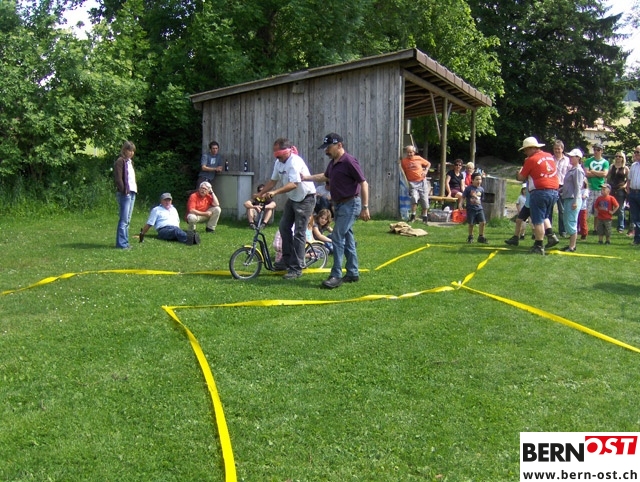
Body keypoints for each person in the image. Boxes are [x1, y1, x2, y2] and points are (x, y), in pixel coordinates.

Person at [302, 133, 370, 289]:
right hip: (338, 205)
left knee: (337, 237)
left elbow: (363, 183)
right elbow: (325, 177)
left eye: (329, 147)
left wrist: (365, 207)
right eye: (325, 148)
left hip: (350, 204)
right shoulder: (333, 163)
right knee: (348, 238)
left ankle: (336, 275)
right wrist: (306, 178)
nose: (326, 151)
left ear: (339, 145)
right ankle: (352, 273)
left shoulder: (349, 161)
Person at [257, 137, 316, 280]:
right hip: (293, 198)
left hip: (305, 198)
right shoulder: (279, 163)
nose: (276, 156)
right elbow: (273, 181)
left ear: (287, 151)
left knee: (299, 233)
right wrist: (260, 193)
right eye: (275, 153)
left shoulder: (294, 162)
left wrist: (275, 193)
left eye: (278, 153)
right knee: (284, 227)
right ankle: (287, 260)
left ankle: (296, 268)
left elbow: (294, 184)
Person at [516, 136, 560, 255]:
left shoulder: (531, 160)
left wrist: (518, 172)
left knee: (538, 220)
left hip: (540, 191)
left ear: (531, 148)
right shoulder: (549, 156)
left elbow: (521, 177)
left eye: (525, 150)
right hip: (554, 191)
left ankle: (539, 245)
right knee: (544, 216)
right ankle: (551, 236)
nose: (525, 153)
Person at [559, 149, 586, 252]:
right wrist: (560, 190)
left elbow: (578, 187)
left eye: (572, 156)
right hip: (568, 198)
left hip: (573, 199)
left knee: (571, 221)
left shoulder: (578, 170)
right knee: (567, 221)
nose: (570, 158)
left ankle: (572, 246)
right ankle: (571, 244)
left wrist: (575, 201)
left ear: (578, 158)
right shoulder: (572, 169)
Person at [114, 140, 138, 249]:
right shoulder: (120, 161)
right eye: (129, 150)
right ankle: (121, 244)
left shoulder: (130, 162)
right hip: (125, 193)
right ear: (124, 150)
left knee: (128, 219)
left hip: (132, 192)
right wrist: (124, 190)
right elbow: (118, 179)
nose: (131, 153)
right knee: (123, 219)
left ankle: (126, 242)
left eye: (133, 151)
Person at [400, 145, 431, 223]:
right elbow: (402, 172)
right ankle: (413, 216)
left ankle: (425, 217)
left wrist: (426, 171)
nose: (409, 154)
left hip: (422, 181)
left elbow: (428, 164)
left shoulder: (418, 158)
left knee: (424, 199)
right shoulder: (404, 161)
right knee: (414, 198)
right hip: (412, 183)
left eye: (411, 152)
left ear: (414, 152)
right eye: (408, 152)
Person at [584, 143, 610, 234]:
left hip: (600, 188)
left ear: (601, 151)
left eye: (598, 150)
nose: (596, 151)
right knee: (586, 209)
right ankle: (584, 228)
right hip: (590, 188)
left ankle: (596, 229)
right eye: (595, 149)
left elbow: (605, 174)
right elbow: (587, 173)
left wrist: (593, 171)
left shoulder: (605, 162)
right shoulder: (588, 161)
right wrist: (599, 173)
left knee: (598, 210)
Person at [462, 172, 488, 244]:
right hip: (471, 209)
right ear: (472, 180)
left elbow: (481, 199)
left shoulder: (481, 189)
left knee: (483, 222)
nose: (479, 181)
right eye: (477, 179)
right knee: (471, 223)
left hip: (479, 208)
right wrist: (461, 204)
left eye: (480, 179)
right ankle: (470, 236)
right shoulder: (468, 188)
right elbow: (463, 197)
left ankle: (481, 236)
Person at [606, 151, 629, 233]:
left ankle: (620, 227)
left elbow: (628, 179)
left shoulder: (625, 168)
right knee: (609, 207)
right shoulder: (612, 166)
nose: (618, 158)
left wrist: (625, 186)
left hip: (620, 189)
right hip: (612, 189)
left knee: (620, 208)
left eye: (620, 156)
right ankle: (607, 225)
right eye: (616, 156)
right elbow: (607, 176)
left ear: (623, 158)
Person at [552, 140, 570, 237]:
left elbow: (570, 173)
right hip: (552, 186)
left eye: (558, 149)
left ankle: (562, 230)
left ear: (562, 149)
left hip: (563, 186)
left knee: (562, 209)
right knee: (549, 209)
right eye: (555, 149)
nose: (557, 151)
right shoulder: (550, 159)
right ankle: (548, 230)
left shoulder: (567, 160)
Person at [627, 146, 640, 245]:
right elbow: (629, 179)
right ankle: (637, 239)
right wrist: (628, 191)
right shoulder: (634, 165)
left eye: (637, 152)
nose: (635, 154)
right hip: (633, 192)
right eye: (635, 152)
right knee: (635, 218)